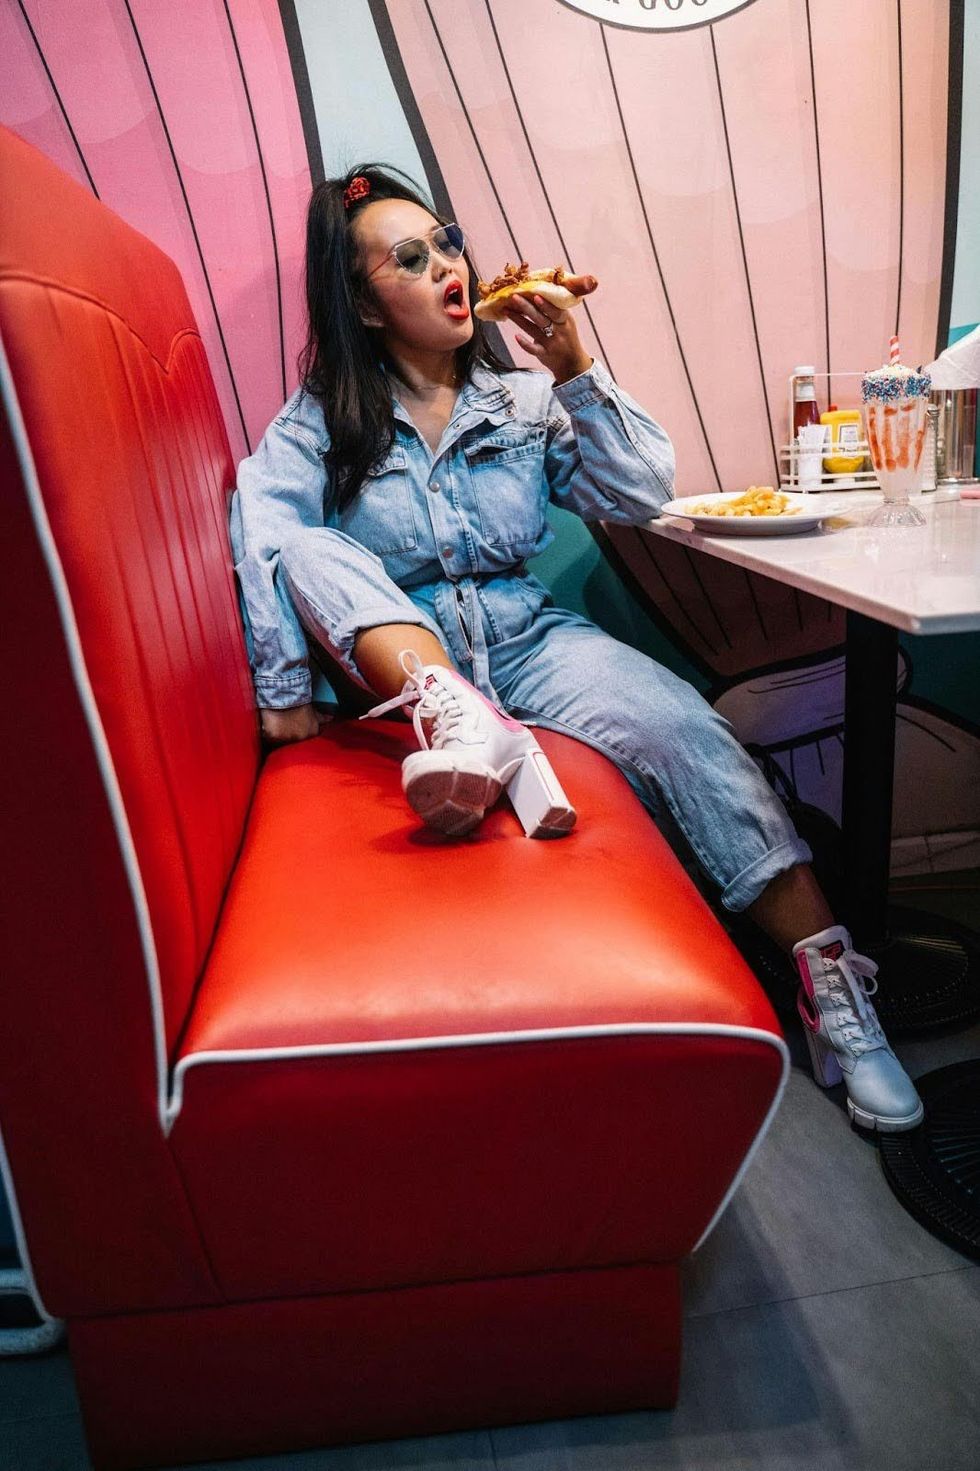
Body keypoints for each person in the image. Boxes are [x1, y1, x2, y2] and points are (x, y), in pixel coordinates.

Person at [230, 163, 923, 1135]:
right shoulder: (323, 423)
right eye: (411, 257)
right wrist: (284, 688)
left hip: (527, 640)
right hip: (402, 659)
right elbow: (265, 532)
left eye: (449, 242)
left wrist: (573, 368)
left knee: (686, 727)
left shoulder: (518, 404)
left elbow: (638, 495)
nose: (447, 266)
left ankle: (831, 991)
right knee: (308, 542)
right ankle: (454, 715)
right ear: (362, 303)